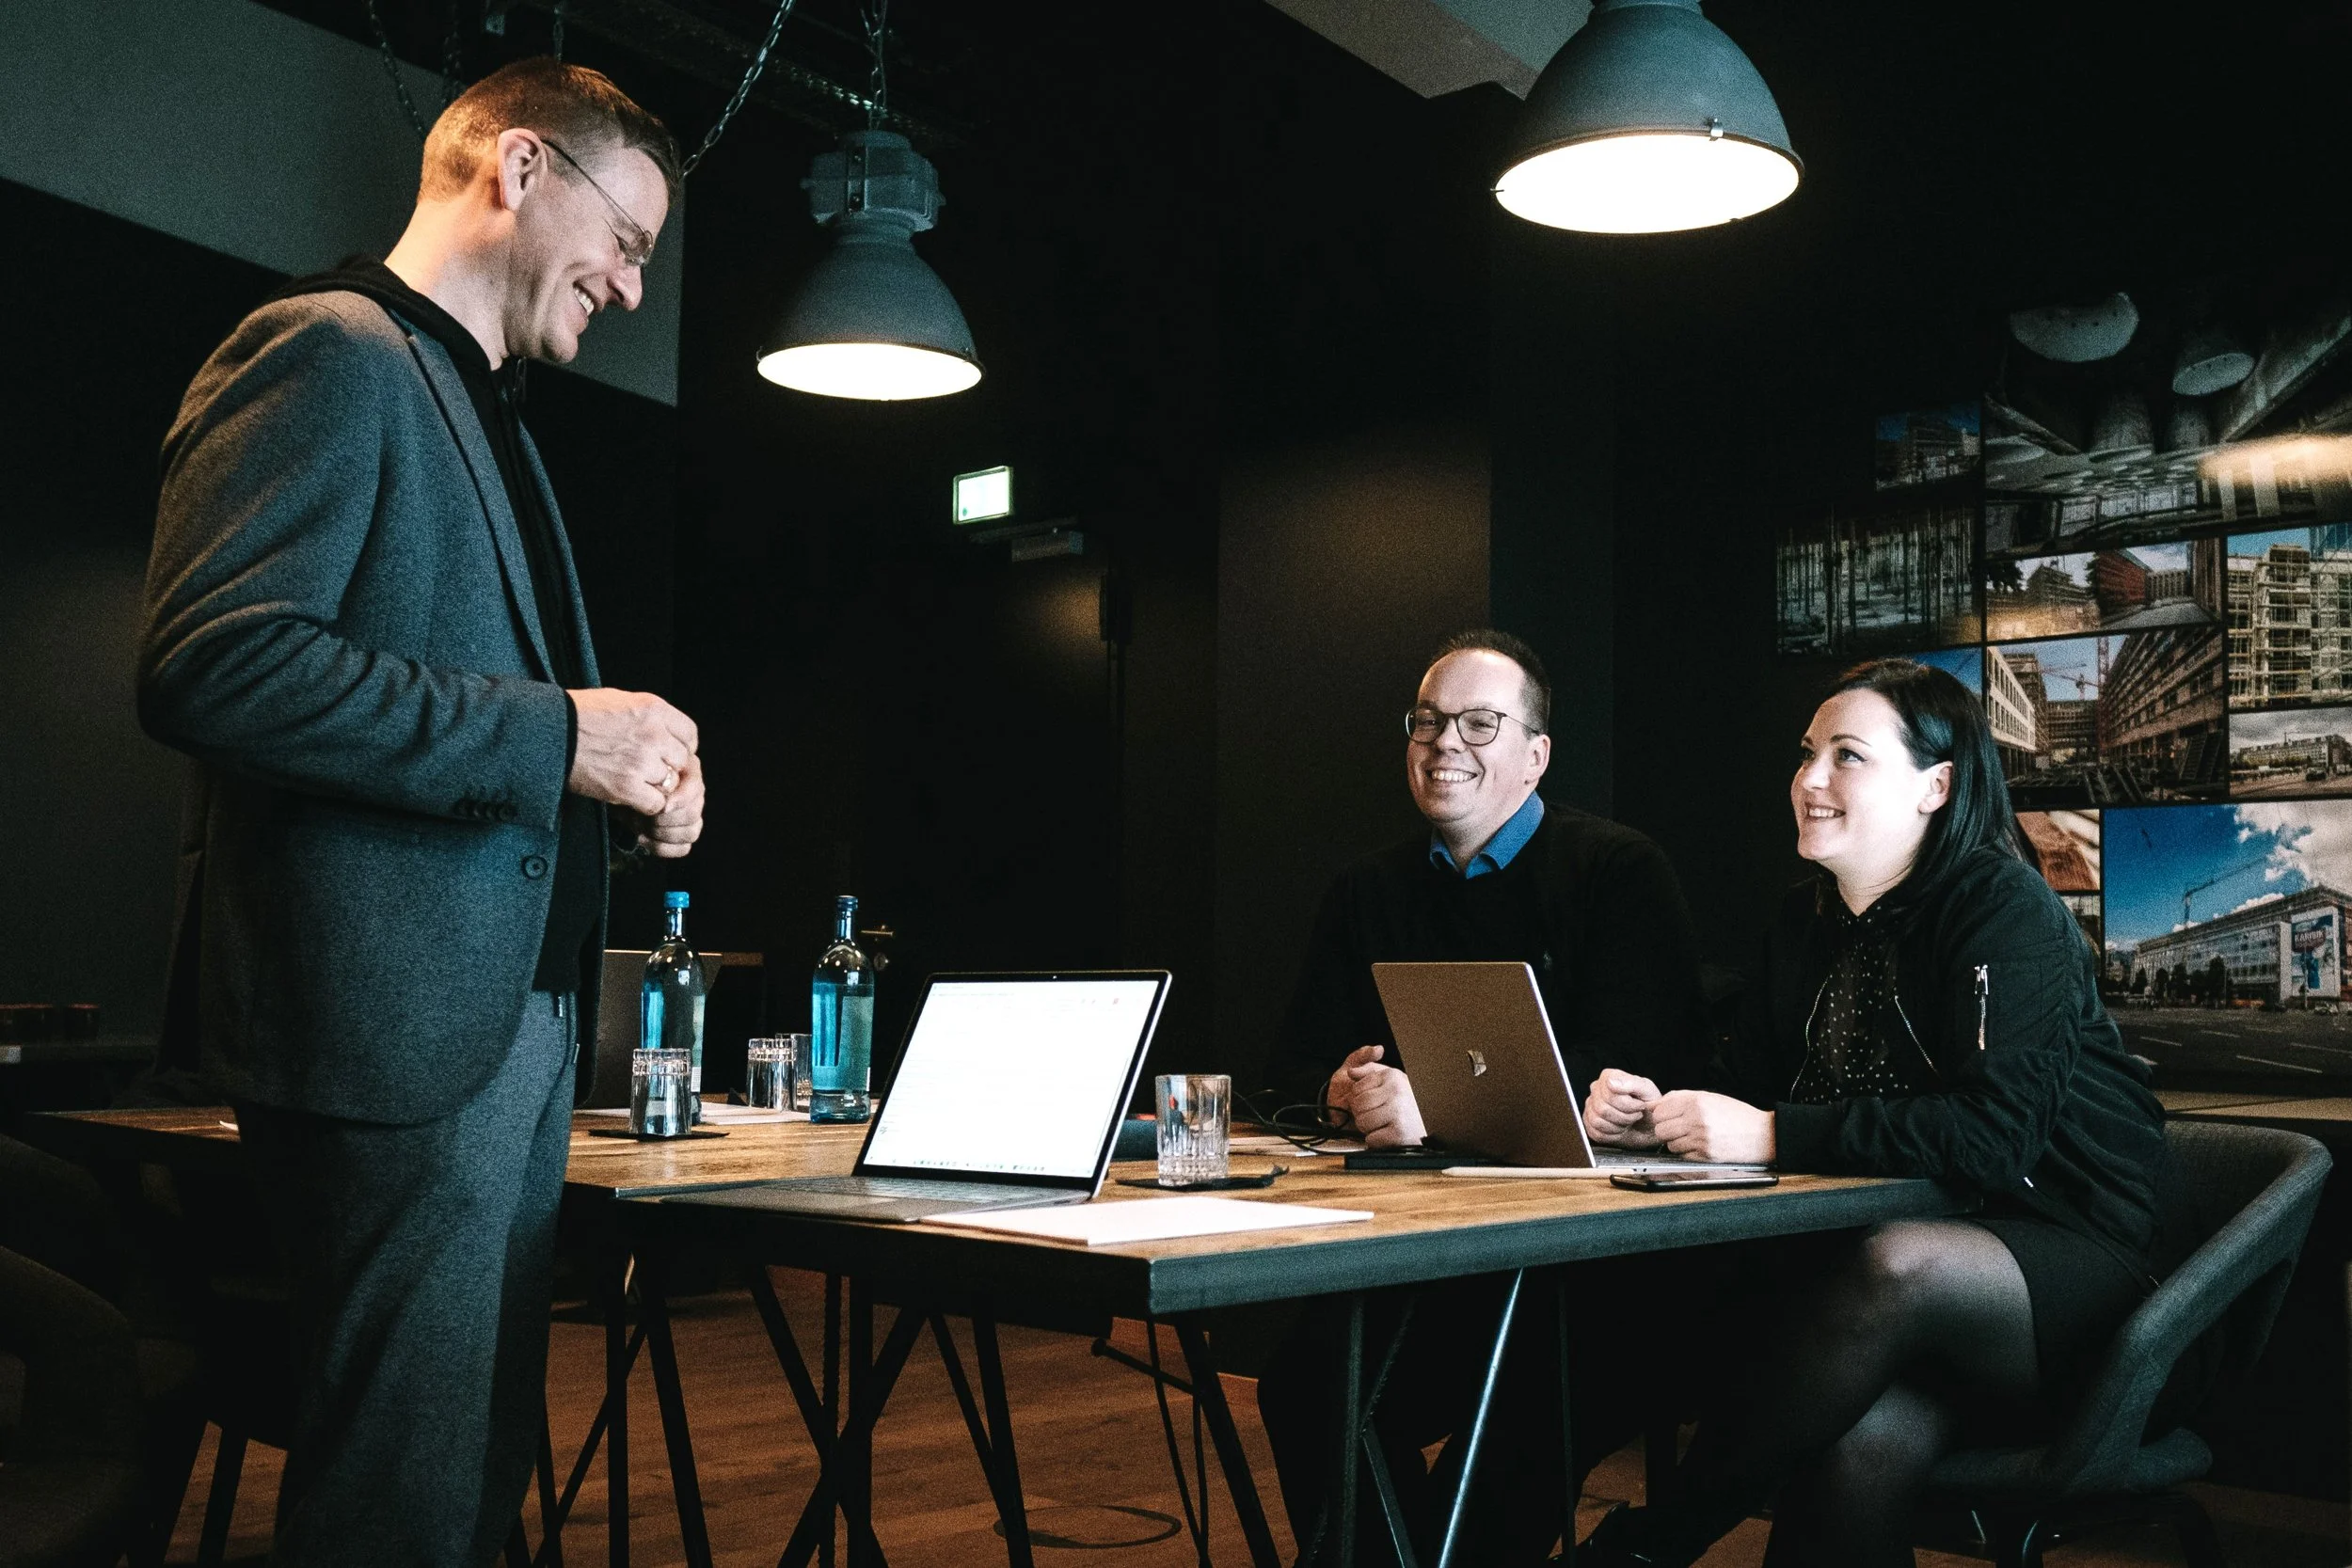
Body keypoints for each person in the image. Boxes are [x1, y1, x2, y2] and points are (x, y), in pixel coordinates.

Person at [137, 58, 702, 1567]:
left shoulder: (489, 407)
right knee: (396, 1490)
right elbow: (214, 663)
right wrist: (558, 735)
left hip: (499, 1036)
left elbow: (508, 737)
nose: (633, 289)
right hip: (391, 1038)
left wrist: (627, 788)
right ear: (521, 169)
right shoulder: (325, 351)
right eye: (629, 241)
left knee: (466, 1476)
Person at [1576, 657, 2184, 1568]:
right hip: (1886, 1313)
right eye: (1806, 753)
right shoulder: (1803, 922)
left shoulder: (2002, 908)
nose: (1808, 778)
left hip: (2076, 1271)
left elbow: (1990, 1136)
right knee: (1858, 1446)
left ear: (1936, 784)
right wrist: (1651, 1110)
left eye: (1846, 755)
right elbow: (1741, 1078)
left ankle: (1643, 1546)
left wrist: (1770, 1132)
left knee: (1897, 1262)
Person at [1254, 629, 1710, 1566]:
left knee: (1522, 1411)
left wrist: (1435, 1104)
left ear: (1535, 753)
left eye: (1477, 722)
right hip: (1425, 1253)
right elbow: (1284, 1069)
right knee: (1304, 1380)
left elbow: (1630, 1067)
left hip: (1590, 1274)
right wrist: (1339, 1092)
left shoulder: (1619, 870)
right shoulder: (1365, 890)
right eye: (1426, 721)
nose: (1443, 743)